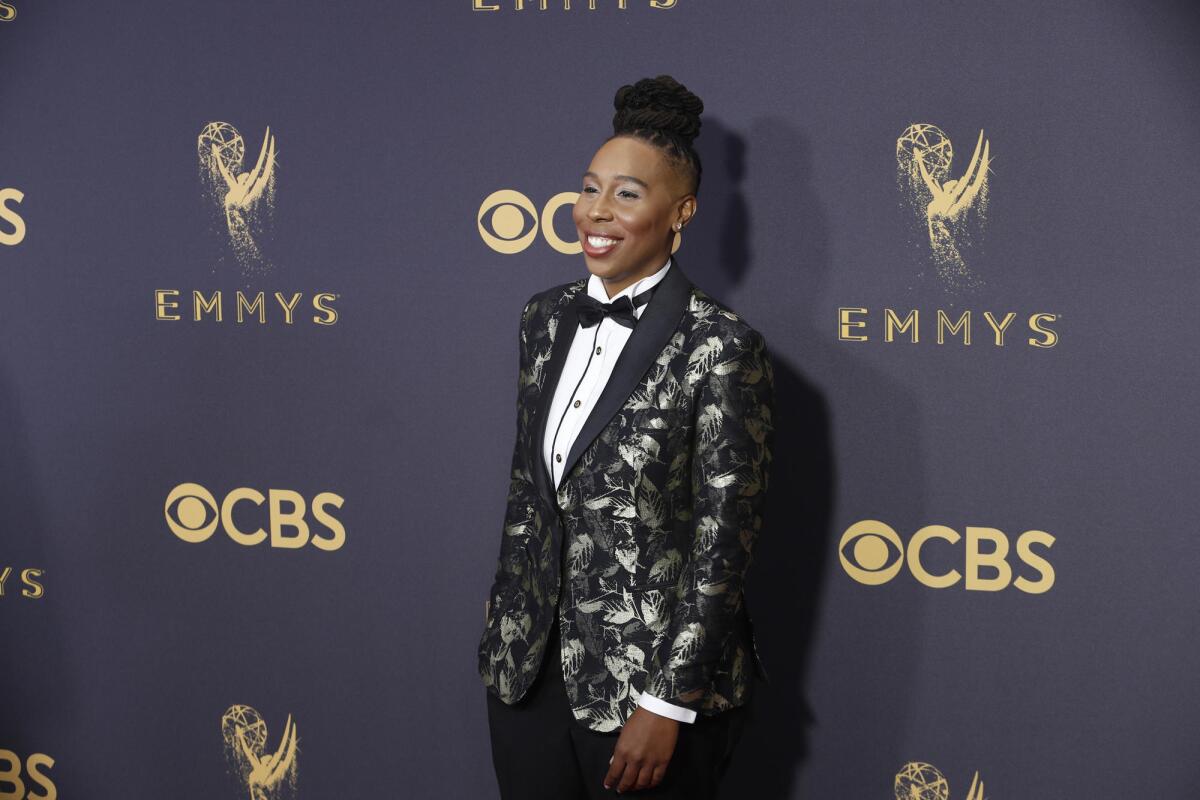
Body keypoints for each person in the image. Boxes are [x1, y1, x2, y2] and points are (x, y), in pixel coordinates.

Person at [478, 74, 775, 799]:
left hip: (648, 696)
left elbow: (723, 545)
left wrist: (667, 702)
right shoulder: (542, 319)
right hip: (526, 680)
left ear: (682, 213)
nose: (596, 212)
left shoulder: (721, 346)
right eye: (589, 188)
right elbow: (530, 494)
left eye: (627, 194)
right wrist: (503, 637)